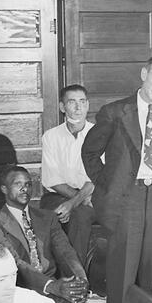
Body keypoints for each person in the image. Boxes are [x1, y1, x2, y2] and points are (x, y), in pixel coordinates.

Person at [80, 54, 152, 303]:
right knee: (122, 274)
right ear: (144, 74)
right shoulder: (114, 112)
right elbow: (90, 152)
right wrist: (108, 185)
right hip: (126, 200)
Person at [0, 165, 88, 303]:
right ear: (4, 189)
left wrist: (80, 279)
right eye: (18, 184)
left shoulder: (48, 217)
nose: (25, 189)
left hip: (54, 290)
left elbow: (66, 251)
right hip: (17, 292)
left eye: (28, 184)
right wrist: (51, 286)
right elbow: (14, 262)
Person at [39, 84, 96, 264]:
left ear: (88, 105)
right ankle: (52, 275)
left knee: (80, 216)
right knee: (54, 215)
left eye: (82, 102)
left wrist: (74, 203)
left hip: (92, 197)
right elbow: (52, 179)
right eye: (72, 102)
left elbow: (97, 177)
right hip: (58, 195)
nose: (78, 107)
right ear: (63, 107)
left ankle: (77, 278)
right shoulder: (51, 136)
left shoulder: (99, 134)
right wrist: (77, 199)